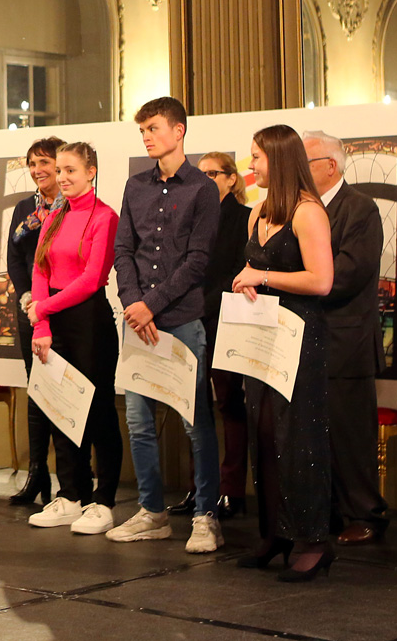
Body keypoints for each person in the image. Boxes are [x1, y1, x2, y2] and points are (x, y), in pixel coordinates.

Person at [107, 96, 223, 554]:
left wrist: (150, 305)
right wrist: (133, 304)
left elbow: (198, 261)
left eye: (154, 127)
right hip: (137, 324)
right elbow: (124, 252)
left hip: (181, 321)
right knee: (138, 421)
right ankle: (152, 512)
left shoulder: (203, 190)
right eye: (142, 130)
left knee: (196, 422)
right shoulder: (135, 186)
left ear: (179, 131)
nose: (147, 136)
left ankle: (205, 515)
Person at [231, 124, 335, 582]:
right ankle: (275, 531)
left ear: (279, 158)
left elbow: (321, 280)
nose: (249, 165)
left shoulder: (308, 212)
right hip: (261, 339)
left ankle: (314, 538)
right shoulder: (256, 213)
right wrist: (244, 278)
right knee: (265, 434)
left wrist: (261, 277)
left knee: (300, 439)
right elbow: (254, 270)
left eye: (256, 156)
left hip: (299, 338)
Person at [25, 142, 122, 534]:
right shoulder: (54, 215)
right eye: (60, 171)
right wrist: (43, 327)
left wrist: (42, 310)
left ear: (91, 172)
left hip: (89, 322)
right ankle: (72, 494)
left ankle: (104, 500)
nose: (63, 178)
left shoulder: (105, 217)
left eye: (71, 171)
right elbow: (40, 272)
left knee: (97, 412)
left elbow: (91, 279)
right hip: (54, 324)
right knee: (61, 411)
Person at [304, 131, 389, 545]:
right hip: (309, 339)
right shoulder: (303, 209)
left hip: (347, 341)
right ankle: (332, 511)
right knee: (318, 434)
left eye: (306, 161)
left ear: (330, 167)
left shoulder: (359, 209)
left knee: (351, 435)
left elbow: (349, 273)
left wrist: (298, 283)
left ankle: (365, 514)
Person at [169, 152, 250, 519]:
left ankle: (232, 490)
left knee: (230, 405)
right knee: (194, 408)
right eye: (198, 174)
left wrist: (204, 303)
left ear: (232, 179)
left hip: (227, 321)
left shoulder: (244, 218)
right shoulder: (190, 216)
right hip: (190, 319)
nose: (204, 180)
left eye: (212, 173)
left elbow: (239, 270)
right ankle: (199, 490)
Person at [6, 136, 64, 505]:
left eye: (44, 162)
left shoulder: (72, 205)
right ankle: (36, 474)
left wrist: (48, 302)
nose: (37, 170)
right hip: (29, 308)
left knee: (66, 390)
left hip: (64, 308)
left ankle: (73, 478)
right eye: (32, 163)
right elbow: (14, 257)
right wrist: (28, 297)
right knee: (38, 390)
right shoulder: (25, 208)